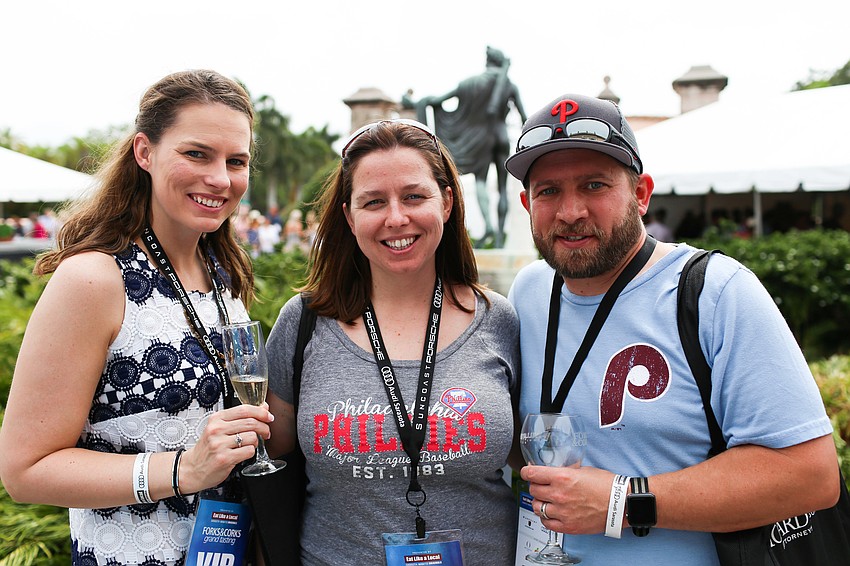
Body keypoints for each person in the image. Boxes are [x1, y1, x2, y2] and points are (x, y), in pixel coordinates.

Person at [503, 93, 839, 565]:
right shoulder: (529, 292)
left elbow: (810, 476)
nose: (570, 211)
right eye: (548, 191)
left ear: (641, 195)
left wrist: (621, 501)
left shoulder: (715, 293)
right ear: (526, 203)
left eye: (595, 185)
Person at [0, 70, 274, 566]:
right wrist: (181, 471)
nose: (219, 178)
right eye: (197, 154)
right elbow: (25, 470)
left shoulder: (223, 278)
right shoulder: (95, 280)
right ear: (144, 152)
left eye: (237, 161)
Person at [264, 119, 520, 565]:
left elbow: (531, 454)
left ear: (447, 201)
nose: (396, 217)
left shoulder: (499, 319)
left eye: (414, 196)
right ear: (349, 216)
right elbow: (270, 451)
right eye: (374, 202)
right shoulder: (304, 322)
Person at [417, 46, 527, 248]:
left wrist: (419, 103)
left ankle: (488, 225)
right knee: (503, 188)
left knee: (481, 181)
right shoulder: (508, 84)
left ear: (487, 61)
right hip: (501, 135)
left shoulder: (469, 83)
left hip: (479, 140)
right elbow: (524, 118)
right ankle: (500, 241)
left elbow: (435, 101)